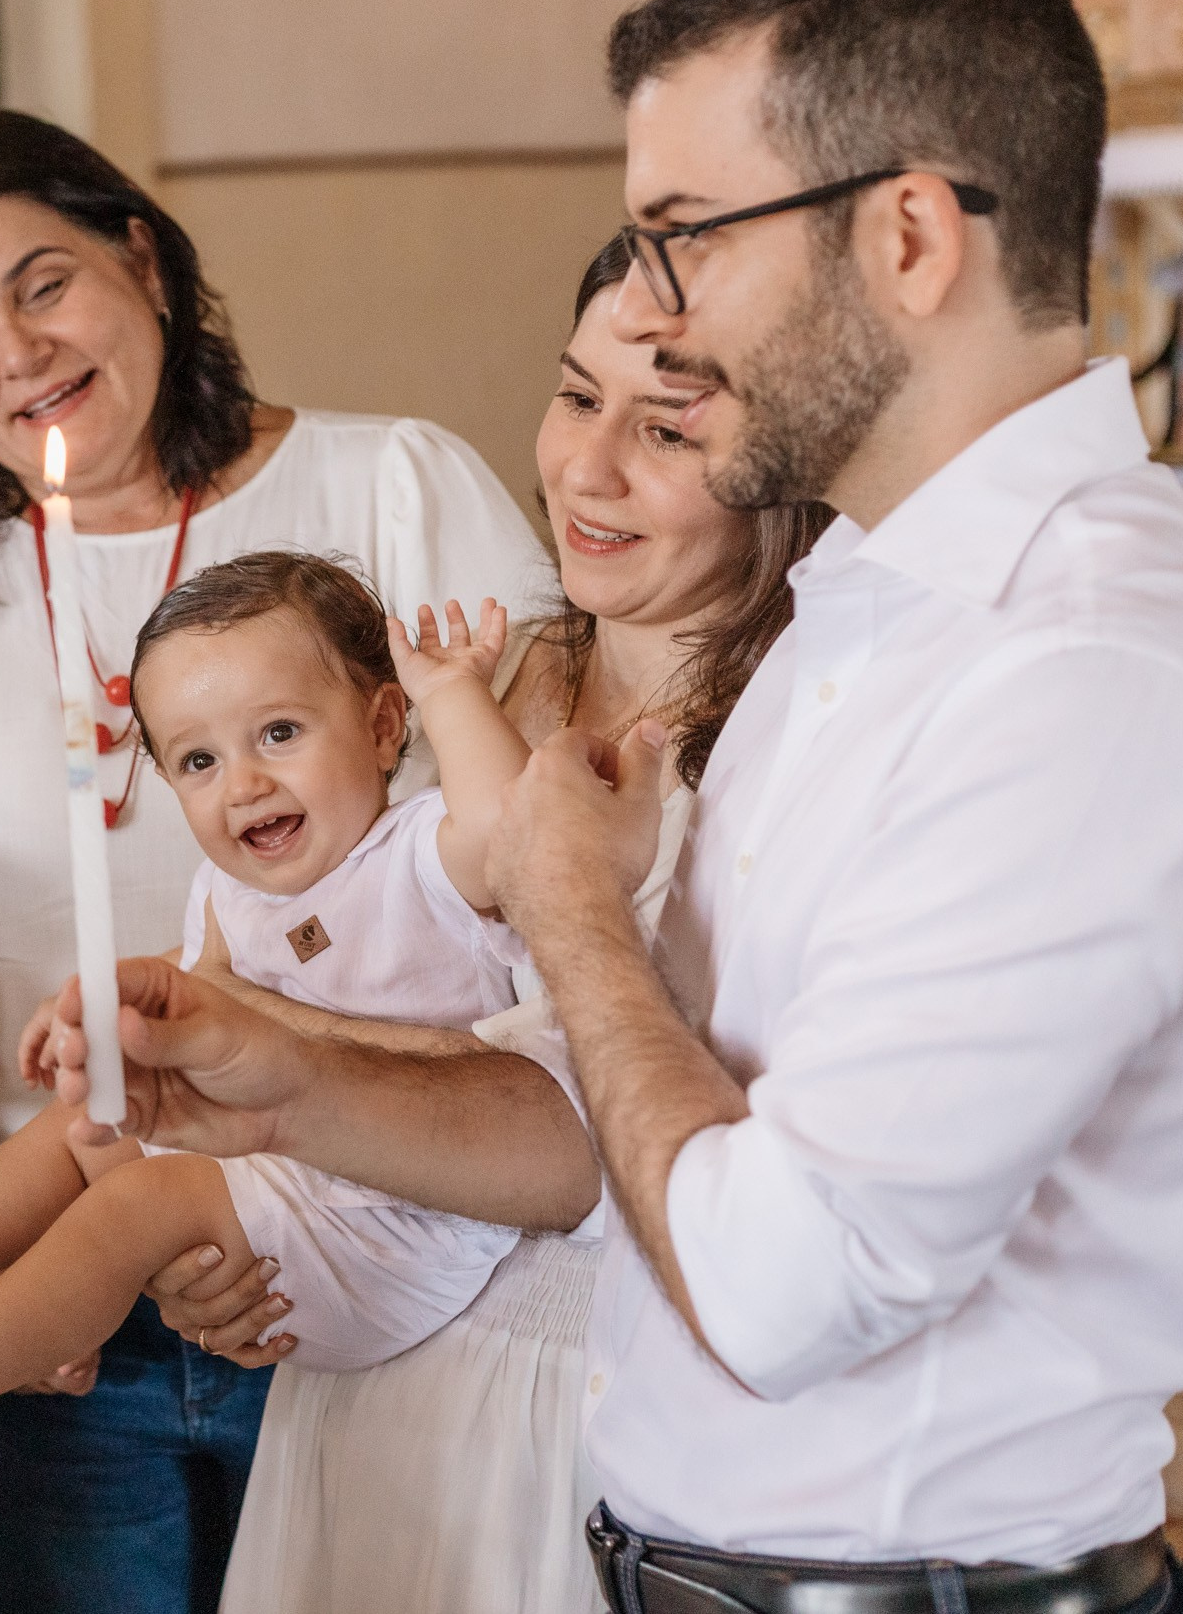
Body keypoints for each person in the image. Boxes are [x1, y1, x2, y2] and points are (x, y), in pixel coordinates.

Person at [49, 0, 1183, 1611]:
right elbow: (606, 1108)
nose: (661, 307)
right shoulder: (873, 602)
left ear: (906, 238)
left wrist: (562, 903)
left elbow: (782, 1282)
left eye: (692, 231)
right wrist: (275, 1082)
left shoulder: (1079, 664)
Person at [0, 107, 562, 1614]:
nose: (16, 356)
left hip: (383, 1252)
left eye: (44, 285)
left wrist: (255, 1198)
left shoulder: (392, 484)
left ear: (142, 259)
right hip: (60, 1304)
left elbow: (547, 880)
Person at [207, 239, 828, 1614]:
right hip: (372, 1376)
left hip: (586, 1415)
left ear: (785, 460)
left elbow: (603, 1137)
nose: (586, 469)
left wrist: (258, 1061)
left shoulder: (794, 748)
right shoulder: (482, 677)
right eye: (573, 396)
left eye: (663, 427)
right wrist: (240, 1233)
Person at [0, 554, 538, 1470]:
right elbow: (192, 1009)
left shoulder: (422, 857)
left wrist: (451, 693)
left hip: (409, 1221)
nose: (242, 783)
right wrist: (102, 1019)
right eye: (199, 759)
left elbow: (512, 831)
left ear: (382, 724)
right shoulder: (229, 897)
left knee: (144, 1197)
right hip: (293, 1193)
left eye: (279, 732)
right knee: (99, 1114)